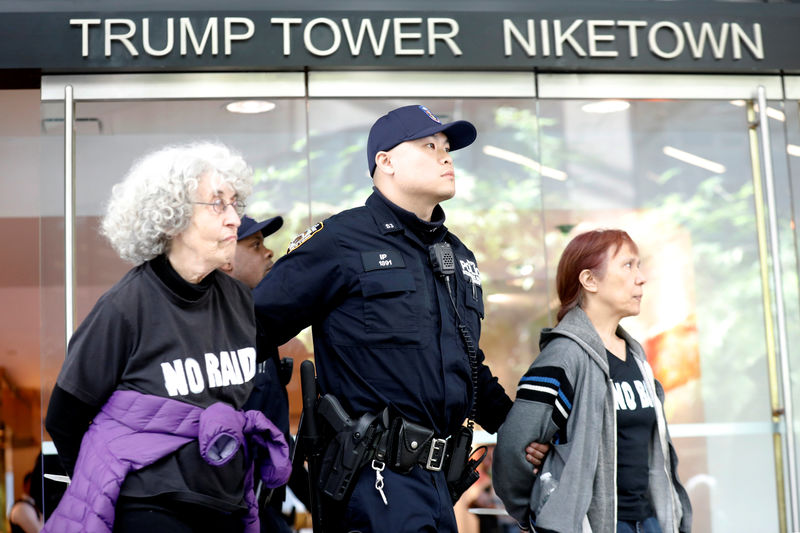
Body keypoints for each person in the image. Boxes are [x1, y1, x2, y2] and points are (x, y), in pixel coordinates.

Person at [251, 104, 524, 532]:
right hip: (371, 482)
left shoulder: (457, 257)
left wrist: (517, 428)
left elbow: (469, 365)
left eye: (447, 147)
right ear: (387, 161)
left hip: (439, 484)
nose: (445, 156)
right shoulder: (341, 240)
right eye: (429, 146)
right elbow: (254, 328)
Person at [43, 142, 291, 533]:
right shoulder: (126, 306)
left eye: (234, 204)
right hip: (149, 507)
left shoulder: (241, 302)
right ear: (172, 218)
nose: (234, 219)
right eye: (217, 204)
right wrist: (104, 480)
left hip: (226, 505)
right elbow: (64, 416)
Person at [492, 229, 692, 533]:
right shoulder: (563, 357)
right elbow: (512, 452)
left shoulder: (637, 357)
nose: (640, 278)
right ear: (589, 280)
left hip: (649, 521)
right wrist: (539, 516)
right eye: (628, 265)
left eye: (639, 265)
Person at [219, 214, 302, 533]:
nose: (268, 253)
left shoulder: (257, 324)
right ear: (224, 257)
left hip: (267, 511)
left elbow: (276, 434)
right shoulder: (210, 331)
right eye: (255, 245)